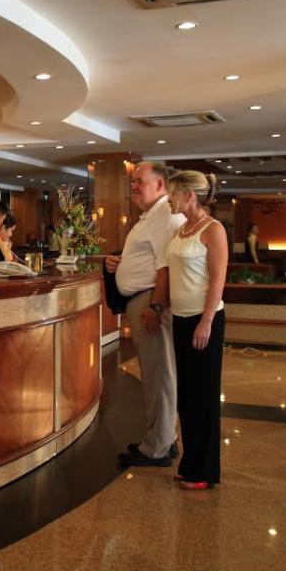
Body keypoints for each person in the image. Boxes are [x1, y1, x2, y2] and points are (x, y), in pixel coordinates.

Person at [104, 162, 186, 467]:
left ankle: (158, 447)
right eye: (133, 181)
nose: (133, 186)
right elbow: (149, 258)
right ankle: (164, 438)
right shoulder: (151, 216)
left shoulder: (166, 215)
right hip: (145, 301)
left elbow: (166, 267)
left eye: (140, 181)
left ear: (161, 185)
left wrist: (155, 307)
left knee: (159, 375)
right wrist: (118, 262)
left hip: (153, 303)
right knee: (156, 374)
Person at [160, 169, 227, 490]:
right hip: (181, 319)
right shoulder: (182, 228)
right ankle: (190, 463)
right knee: (186, 394)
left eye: (172, 194)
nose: (169, 200)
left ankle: (204, 470)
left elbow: (218, 280)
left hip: (204, 319)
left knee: (203, 396)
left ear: (189, 195)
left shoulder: (214, 230)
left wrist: (206, 321)